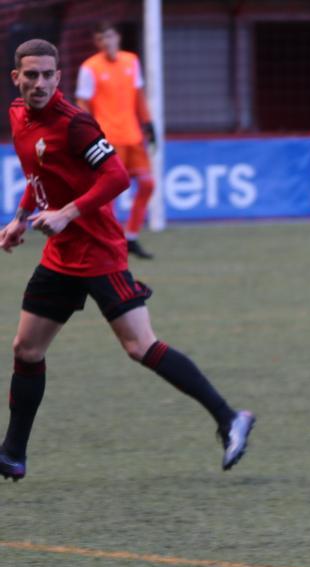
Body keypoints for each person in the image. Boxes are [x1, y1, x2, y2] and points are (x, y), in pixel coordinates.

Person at [0, 40, 255, 481]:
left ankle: (230, 418)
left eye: (47, 75)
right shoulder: (19, 116)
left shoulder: (75, 124)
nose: (39, 82)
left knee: (140, 346)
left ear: (59, 78)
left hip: (98, 251)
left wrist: (67, 213)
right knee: (26, 349)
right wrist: (21, 217)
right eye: (31, 75)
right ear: (16, 78)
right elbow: (39, 176)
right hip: (61, 254)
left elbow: (116, 176)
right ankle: (12, 453)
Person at [76, 21, 156, 260]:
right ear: (97, 43)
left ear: (117, 37)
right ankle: (109, 241)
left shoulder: (131, 61)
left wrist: (148, 123)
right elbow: (82, 104)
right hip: (108, 140)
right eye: (101, 39)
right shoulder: (89, 68)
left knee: (148, 184)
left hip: (133, 137)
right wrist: (88, 135)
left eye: (109, 37)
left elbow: (138, 96)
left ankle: (130, 236)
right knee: (108, 194)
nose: (107, 42)